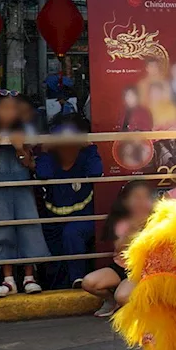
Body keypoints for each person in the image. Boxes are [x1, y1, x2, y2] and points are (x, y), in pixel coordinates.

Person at [0, 91, 50, 297]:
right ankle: (7, 279)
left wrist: (19, 148)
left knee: (27, 227)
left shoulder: (24, 132)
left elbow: (29, 164)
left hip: (22, 187)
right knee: (1, 230)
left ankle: (29, 277)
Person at [37, 114, 103, 289]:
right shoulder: (50, 160)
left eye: (71, 141)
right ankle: (58, 286)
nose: (67, 146)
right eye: (62, 142)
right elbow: (43, 174)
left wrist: (90, 147)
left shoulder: (85, 159)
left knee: (72, 233)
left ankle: (78, 280)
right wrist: (44, 151)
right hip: (53, 222)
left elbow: (97, 172)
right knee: (55, 254)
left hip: (83, 218)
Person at [79, 180, 156, 316]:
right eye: (136, 197)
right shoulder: (121, 221)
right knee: (88, 282)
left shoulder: (158, 219)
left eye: (145, 197)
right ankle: (110, 301)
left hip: (142, 271)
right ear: (125, 201)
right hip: (121, 266)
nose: (141, 202)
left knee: (122, 296)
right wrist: (134, 228)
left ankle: (141, 308)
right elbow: (120, 247)